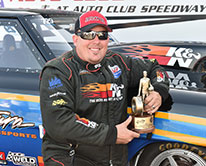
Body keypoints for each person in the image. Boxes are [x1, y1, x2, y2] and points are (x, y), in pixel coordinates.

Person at [39, 10, 169, 166]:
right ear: (75, 39)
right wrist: (112, 134)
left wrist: (158, 91)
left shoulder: (118, 62)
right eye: (88, 34)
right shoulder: (58, 70)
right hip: (71, 159)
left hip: (114, 159)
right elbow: (59, 122)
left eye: (102, 35)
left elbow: (155, 68)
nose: (96, 41)